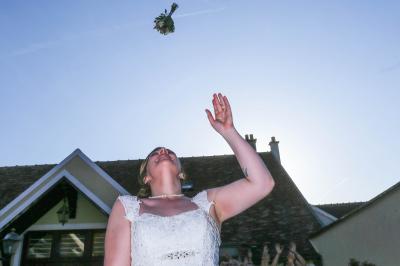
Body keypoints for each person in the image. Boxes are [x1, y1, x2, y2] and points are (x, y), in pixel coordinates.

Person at [104, 93, 276, 266]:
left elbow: (262, 183)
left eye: (169, 152)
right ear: (146, 176)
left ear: (181, 172)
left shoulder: (207, 204)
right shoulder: (128, 208)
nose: (163, 151)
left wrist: (229, 131)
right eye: (155, 153)